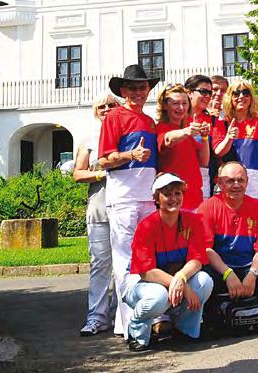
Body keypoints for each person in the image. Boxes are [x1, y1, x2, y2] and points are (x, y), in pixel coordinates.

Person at [98, 64, 160, 337]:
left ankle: (144, 318)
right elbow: (103, 159)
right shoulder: (115, 118)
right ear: (123, 91)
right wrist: (130, 155)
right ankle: (125, 325)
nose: (137, 92)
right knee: (124, 261)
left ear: (148, 90)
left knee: (146, 259)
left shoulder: (149, 122)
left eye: (142, 87)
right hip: (123, 198)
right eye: (132, 88)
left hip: (147, 198)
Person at [123, 173, 213, 351]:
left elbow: (197, 260)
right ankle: (136, 332)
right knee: (159, 296)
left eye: (177, 193)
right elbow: (146, 271)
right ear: (157, 199)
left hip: (174, 279)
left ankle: (185, 330)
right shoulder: (146, 226)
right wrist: (181, 284)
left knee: (204, 281)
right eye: (167, 194)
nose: (173, 198)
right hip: (141, 282)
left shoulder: (193, 221)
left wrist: (180, 277)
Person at [197, 162, 258, 306]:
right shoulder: (207, 207)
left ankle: (254, 308)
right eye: (230, 181)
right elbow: (206, 249)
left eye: (241, 180)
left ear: (247, 182)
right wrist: (228, 274)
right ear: (220, 183)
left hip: (247, 267)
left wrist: (252, 274)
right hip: (220, 268)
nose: (236, 185)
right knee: (202, 281)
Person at [75, 93, 120, 336]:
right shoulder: (89, 139)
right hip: (99, 206)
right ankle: (97, 317)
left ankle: (121, 316)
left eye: (111, 105)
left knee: (125, 263)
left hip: (124, 204)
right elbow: (77, 174)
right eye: (101, 106)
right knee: (100, 263)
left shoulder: (126, 134)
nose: (106, 109)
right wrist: (99, 174)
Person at [213, 80, 258, 203]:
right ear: (230, 97)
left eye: (246, 93)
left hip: (253, 183)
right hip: (228, 183)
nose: (241, 97)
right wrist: (229, 138)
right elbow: (218, 152)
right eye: (236, 93)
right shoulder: (222, 122)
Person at [155, 84, 210, 211]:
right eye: (175, 103)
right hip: (173, 201)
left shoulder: (188, 132)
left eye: (185, 103)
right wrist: (187, 131)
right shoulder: (160, 128)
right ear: (165, 106)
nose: (181, 108)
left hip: (194, 198)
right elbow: (168, 139)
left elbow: (204, 161)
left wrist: (205, 137)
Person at [185, 75, 216, 199]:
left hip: (202, 177)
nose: (207, 96)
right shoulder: (176, 118)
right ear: (189, 93)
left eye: (210, 92)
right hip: (177, 175)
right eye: (203, 91)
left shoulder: (213, 120)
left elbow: (217, 151)